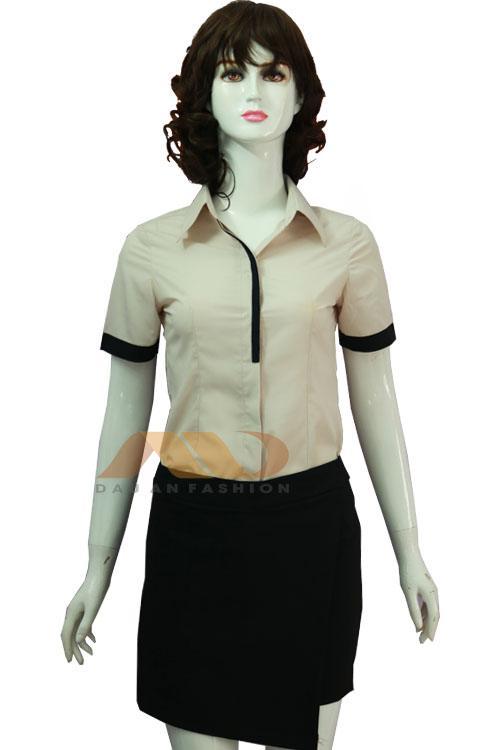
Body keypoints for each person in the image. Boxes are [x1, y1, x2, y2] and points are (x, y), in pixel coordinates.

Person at [61, 3, 440, 749]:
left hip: (310, 534)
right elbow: (123, 411)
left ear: (301, 97)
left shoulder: (347, 246)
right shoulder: (151, 250)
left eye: (275, 73)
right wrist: (97, 565)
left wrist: (411, 551)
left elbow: (378, 398)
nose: (255, 90)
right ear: (205, 93)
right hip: (194, 531)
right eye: (233, 74)